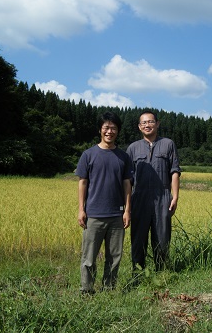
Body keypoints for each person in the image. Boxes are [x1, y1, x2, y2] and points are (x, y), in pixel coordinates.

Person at [76, 111, 132, 294]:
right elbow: (82, 182)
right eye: (106, 127)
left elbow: (127, 185)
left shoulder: (124, 157)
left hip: (117, 215)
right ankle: (87, 290)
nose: (110, 131)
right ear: (100, 130)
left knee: (114, 257)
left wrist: (127, 211)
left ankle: (109, 289)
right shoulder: (88, 154)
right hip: (94, 215)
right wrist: (81, 210)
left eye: (113, 128)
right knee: (89, 257)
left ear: (118, 131)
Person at [126, 110, 181, 273]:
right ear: (139, 127)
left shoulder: (168, 144)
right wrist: (127, 205)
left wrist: (175, 196)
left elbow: (175, 171)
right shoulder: (133, 148)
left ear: (157, 124)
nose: (147, 125)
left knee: (162, 238)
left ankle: (162, 273)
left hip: (163, 196)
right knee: (138, 238)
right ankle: (138, 273)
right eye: (143, 122)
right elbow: (127, 180)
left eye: (150, 122)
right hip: (139, 198)